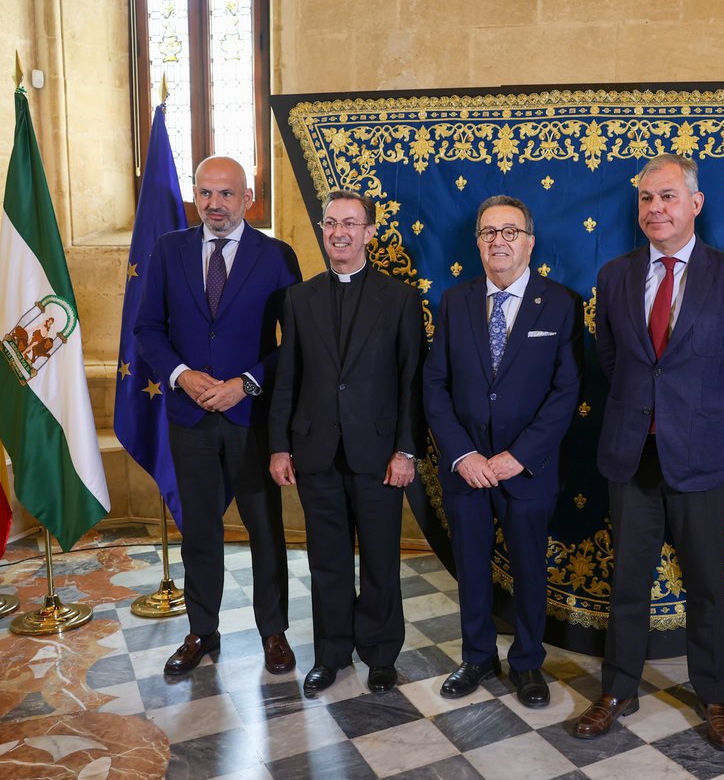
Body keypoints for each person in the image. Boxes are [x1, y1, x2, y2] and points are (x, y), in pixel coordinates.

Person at [573, 153, 724, 750]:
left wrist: (698, 418)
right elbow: (611, 360)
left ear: (695, 204)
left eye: (667, 197)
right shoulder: (615, 275)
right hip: (631, 455)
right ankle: (618, 688)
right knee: (628, 582)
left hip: (705, 456)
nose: (655, 209)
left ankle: (713, 696)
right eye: (646, 199)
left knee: (706, 586)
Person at [135, 156, 301, 676]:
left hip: (251, 420)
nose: (215, 204)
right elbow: (146, 330)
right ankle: (201, 632)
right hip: (190, 419)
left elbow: (294, 344)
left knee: (264, 531)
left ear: (247, 199)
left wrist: (245, 382)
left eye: (226, 194)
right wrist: (181, 374)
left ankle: (273, 633)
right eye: (205, 193)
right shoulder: (169, 250)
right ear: (196, 197)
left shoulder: (276, 256)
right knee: (200, 532)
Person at [423, 195, 583, 708]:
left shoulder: (560, 303)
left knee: (530, 568)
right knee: (470, 566)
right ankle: (476, 657)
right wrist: (463, 455)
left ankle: (528, 663)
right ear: (477, 243)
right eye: (489, 232)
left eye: (510, 232)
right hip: (466, 469)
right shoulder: (455, 301)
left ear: (529, 242)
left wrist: (519, 455)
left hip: (527, 469)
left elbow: (567, 392)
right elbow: (435, 385)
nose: (499, 241)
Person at [268, 189, 423, 696]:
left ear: (369, 233)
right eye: (331, 223)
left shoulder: (398, 298)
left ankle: (380, 653)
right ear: (323, 229)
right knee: (327, 558)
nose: (339, 232)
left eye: (351, 224)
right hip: (315, 451)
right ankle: (332, 652)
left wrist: (406, 450)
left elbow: (410, 381)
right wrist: (279, 446)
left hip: (378, 453)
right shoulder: (298, 298)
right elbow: (287, 378)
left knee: (380, 556)